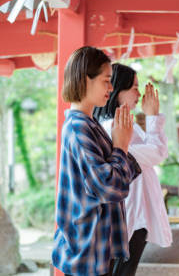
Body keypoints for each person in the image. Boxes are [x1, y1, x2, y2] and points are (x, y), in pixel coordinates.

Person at [52, 47, 141, 276]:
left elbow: (123, 174)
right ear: (85, 81)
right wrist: (120, 145)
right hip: (86, 248)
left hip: (96, 247)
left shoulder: (89, 124)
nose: (111, 89)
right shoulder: (78, 126)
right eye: (106, 81)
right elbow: (110, 186)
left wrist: (121, 150)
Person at [93, 64, 172, 276]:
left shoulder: (122, 124)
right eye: (134, 88)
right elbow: (157, 152)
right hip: (130, 214)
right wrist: (153, 116)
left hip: (132, 213)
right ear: (118, 91)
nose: (139, 94)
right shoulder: (113, 126)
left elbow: (155, 152)